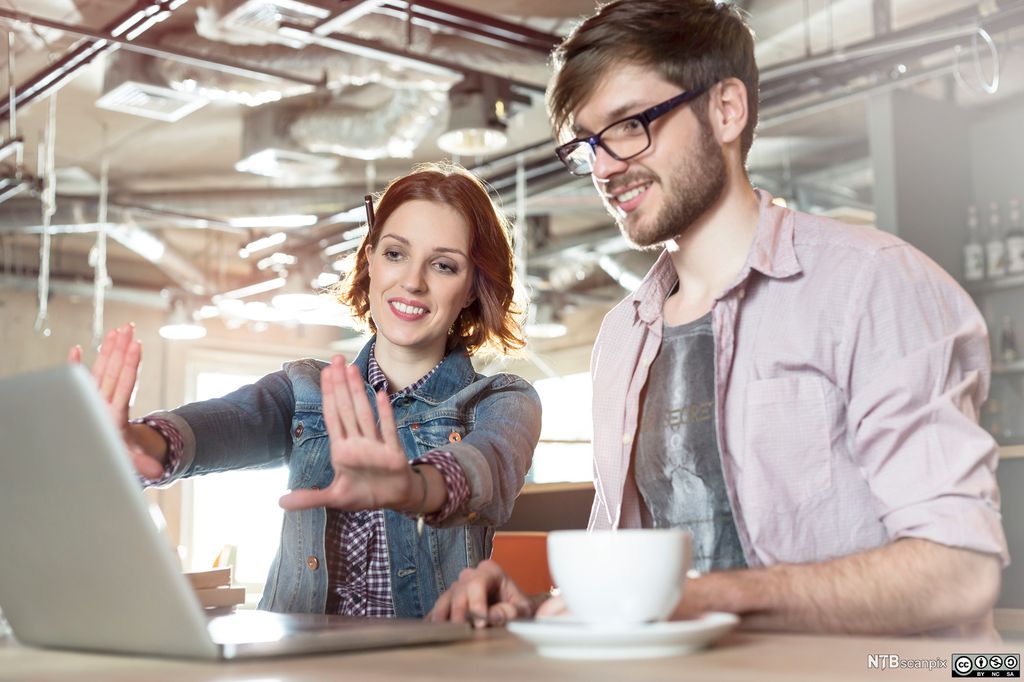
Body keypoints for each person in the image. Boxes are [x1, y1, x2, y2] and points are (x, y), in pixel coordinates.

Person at [429, 0, 1007, 637]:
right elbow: (643, 576)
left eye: (628, 125)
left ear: (726, 110)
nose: (604, 168)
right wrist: (539, 605)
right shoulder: (623, 336)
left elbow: (959, 569)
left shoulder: (873, 285)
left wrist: (704, 599)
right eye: (587, 145)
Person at [70, 162, 542, 619]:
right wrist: (140, 443)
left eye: (443, 265)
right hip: (296, 663)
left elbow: (488, 465)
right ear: (370, 261)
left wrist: (413, 487)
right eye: (395, 254)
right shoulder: (304, 389)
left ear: (472, 290)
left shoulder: (502, 400)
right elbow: (229, 422)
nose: (412, 282)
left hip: (425, 669)